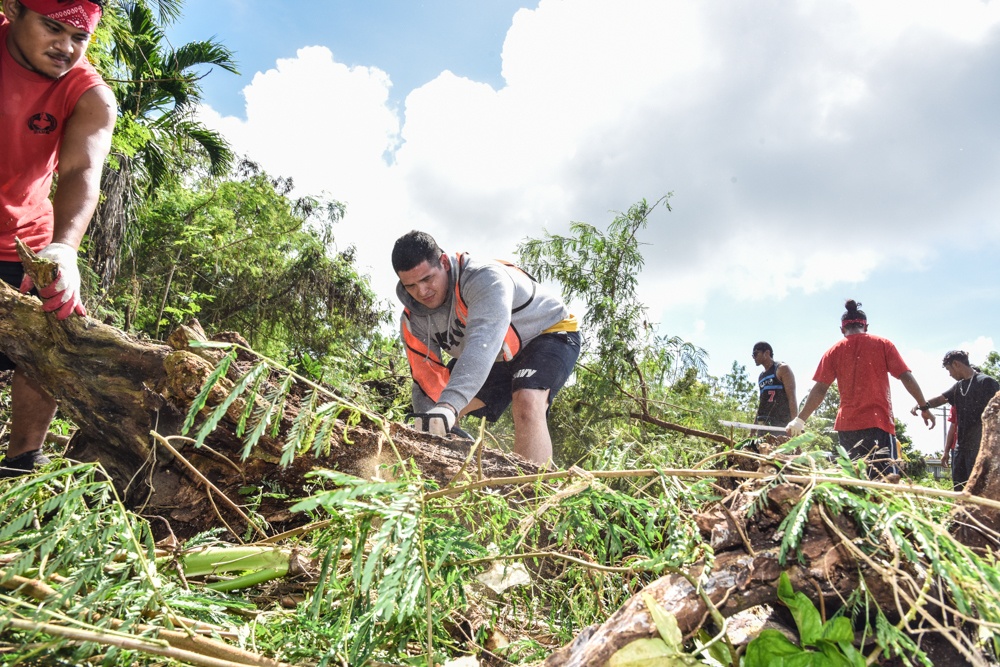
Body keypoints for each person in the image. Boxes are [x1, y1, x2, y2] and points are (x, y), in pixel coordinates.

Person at [0, 0, 116, 478]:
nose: (65, 47)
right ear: (12, 9)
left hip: (21, 243)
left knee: (55, 325)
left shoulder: (89, 94)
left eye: (79, 37)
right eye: (53, 29)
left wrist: (63, 249)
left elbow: (81, 171)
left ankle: (21, 462)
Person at [392, 230, 580, 466]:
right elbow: (426, 379)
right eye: (411, 286)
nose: (422, 292)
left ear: (443, 263)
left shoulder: (484, 278)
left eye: (427, 279)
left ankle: (533, 494)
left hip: (546, 334)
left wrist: (449, 405)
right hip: (498, 354)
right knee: (439, 415)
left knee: (527, 400)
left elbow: (482, 344)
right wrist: (430, 427)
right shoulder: (412, 320)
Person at [787, 300, 935, 479]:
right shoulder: (883, 344)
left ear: (842, 329)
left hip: (847, 427)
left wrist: (800, 420)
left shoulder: (833, 351)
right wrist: (924, 407)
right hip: (877, 423)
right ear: (866, 327)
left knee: (854, 482)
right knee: (883, 482)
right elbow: (906, 376)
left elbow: (820, 389)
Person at [912, 351, 1000, 491]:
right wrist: (922, 405)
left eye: (949, 369)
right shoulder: (958, 386)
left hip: (980, 446)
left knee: (978, 489)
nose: (949, 374)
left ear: (956, 364)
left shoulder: (986, 382)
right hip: (961, 447)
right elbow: (940, 399)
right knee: (959, 487)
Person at [752, 341, 797, 428]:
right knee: (755, 442)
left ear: (767, 353)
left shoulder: (782, 369)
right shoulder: (761, 376)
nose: (754, 357)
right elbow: (762, 403)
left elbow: (792, 397)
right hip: (764, 423)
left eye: (755, 353)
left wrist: (795, 423)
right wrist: (754, 428)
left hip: (781, 423)